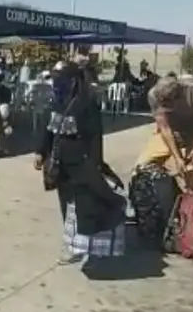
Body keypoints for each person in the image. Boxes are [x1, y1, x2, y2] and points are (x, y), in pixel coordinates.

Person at [34, 63, 125, 265]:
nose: (56, 83)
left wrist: (96, 164)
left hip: (81, 165)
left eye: (60, 79)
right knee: (66, 206)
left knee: (84, 208)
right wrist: (41, 152)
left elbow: (95, 137)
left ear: (74, 80)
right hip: (59, 164)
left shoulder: (86, 104)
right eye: (54, 78)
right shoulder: (54, 101)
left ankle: (88, 246)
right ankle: (72, 246)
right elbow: (47, 130)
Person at [130, 74, 193, 249]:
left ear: (179, 94)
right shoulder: (154, 94)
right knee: (141, 166)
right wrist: (176, 157)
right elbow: (165, 128)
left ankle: (183, 217)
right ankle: (143, 209)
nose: (167, 108)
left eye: (170, 105)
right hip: (170, 133)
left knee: (189, 175)